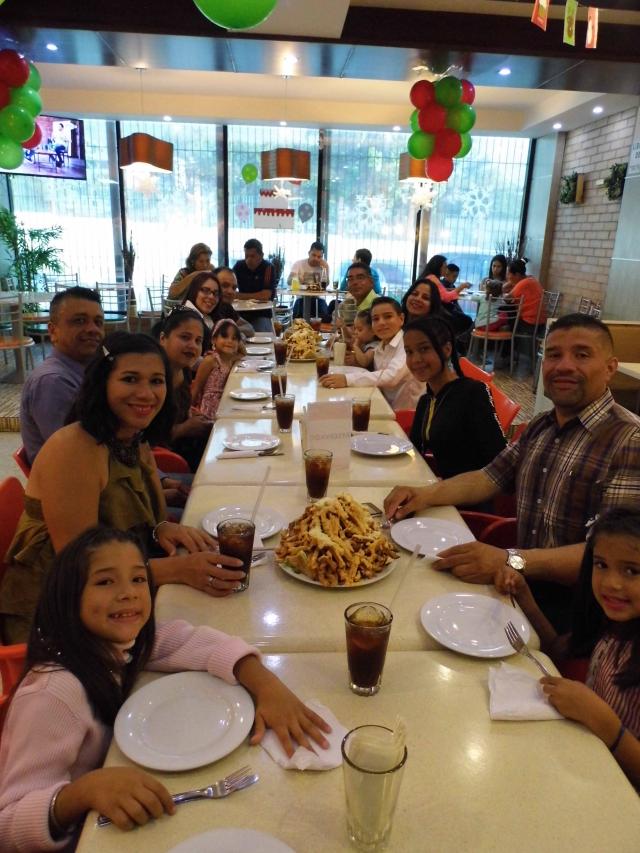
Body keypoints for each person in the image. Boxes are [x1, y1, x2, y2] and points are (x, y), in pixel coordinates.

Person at [0, 527, 331, 847]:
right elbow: (8, 824)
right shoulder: (53, 694)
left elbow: (184, 641)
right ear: (67, 597)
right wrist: (82, 792)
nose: (128, 593)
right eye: (105, 581)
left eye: (138, 579)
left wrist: (266, 684)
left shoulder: (118, 645)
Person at [384, 314, 640, 631]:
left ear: (610, 367)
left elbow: (612, 556)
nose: (564, 366)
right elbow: (487, 477)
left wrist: (510, 559)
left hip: (581, 615)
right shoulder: (542, 425)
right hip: (520, 585)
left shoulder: (629, 440)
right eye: (554, 355)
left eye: (582, 355)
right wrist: (423, 494)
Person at [1, 332, 247, 644]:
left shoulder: (133, 436)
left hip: (123, 587)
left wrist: (161, 529)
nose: (146, 393)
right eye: (130, 379)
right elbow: (82, 568)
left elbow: (148, 513)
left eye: (156, 381)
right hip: (59, 615)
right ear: (102, 382)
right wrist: (179, 569)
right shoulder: (73, 449)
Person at [495, 507, 640, 787]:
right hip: (581, 758)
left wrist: (607, 727)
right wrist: (524, 597)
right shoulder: (610, 624)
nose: (611, 583)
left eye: (632, 570)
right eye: (601, 565)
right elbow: (557, 650)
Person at [405, 316, 506, 480]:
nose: (415, 359)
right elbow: (414, 450)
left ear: (447, 349)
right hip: (439, 486)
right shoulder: (426, 401)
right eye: (409, 352)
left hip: (469, 493)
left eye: (424, 349)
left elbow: (499, 463)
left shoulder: (473, 393)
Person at [20, 287, 105, 465]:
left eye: (98, 322)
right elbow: (77, 457)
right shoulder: (53, 382)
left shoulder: (87, 370)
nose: (93, 329)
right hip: (76, 477)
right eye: (79, 321)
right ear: (53, 331)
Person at [320, 296, 424, 411]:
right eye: (376, 319)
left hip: (406, 414)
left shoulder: (407, 343)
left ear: (401, 319)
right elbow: (375, 373)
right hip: (384, 406)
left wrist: (346, 379)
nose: (381, 323)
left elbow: (391, 377)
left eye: (388, 316)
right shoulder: (381, 346)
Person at [156, 309, 212, 472]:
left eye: (198, 340)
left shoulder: (184, 370)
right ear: (163, 339)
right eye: (185, 337)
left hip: (187, 448)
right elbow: (142, 438)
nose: (192, 345)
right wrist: (184, 428)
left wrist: (191, 415)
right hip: (166, 463)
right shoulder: (152, 378)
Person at [191, 319, 243, 420]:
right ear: (214, 340)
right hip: (209, 409)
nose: (229, 341)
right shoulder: (210, 360)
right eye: (224, 336)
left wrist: (237, 345)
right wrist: (188, 413)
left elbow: (243, 353)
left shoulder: (230, 359)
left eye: (234, 338)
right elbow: (196, 388)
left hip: (225, 403)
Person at [418, 255, 473, 348]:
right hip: (436, 314)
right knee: (467, 321)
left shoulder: (429, 277)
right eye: (444, 267)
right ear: (438, 267)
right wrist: (462, 287)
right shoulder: (433, 279)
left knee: (465, 319)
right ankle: (457, 343)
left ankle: (456, 343)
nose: (446, 270)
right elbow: (446, 298)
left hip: (432, 312)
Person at [232, 238, 276, 333]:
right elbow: (229, 288)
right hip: (240, 312)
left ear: (261, 256)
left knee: (260, 334)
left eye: (252, 256)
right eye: (246, 256)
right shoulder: (239, 266)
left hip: (261, 313)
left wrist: (239, 295)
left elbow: (265, 295)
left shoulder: (268, 268)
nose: (249, 260)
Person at [290, 241, 330, 321]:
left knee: (325, 317)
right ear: (309, 253)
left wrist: (326, 268)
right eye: (313, 255)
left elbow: (326, 284)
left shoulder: (324, 266)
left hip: (318, 298)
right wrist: (296, 278)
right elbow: (289, 280)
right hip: (302, 298)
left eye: (319, 257)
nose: (316, 259)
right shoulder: (299, 264)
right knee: (298, 317)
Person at [502, 258, 545, 334]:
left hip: (529, 324)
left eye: (508, 274)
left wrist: (504, 288)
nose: (507, 277)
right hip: (540, 324)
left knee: (502, 315)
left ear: (517, 275)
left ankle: (502, 340)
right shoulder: (531, 279)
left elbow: (506, 299)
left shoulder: (522, 284)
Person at [211, 265, 255, 338]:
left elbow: (249, 328)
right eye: (225, 285)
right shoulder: (205, 311)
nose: (230, 291)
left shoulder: (226, 307)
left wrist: (232, 331)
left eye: (234, 288)